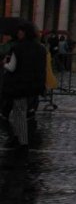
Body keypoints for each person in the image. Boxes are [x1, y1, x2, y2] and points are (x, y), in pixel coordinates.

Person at [2, 22, 47, 150]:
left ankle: (21, 140)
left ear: (24, 33)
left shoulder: (18, 48)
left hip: (19, 85)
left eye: (20, 31)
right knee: (24, 111)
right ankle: (19, 137)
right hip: (34, 84)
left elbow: (11, 67)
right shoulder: (41, 48)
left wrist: (4, 63)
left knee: (19, 112)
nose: (18, 33)